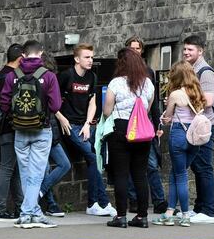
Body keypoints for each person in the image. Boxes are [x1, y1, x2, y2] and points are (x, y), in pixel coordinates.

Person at [0, 41, 62, 229]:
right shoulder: (48, 76)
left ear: (24, 55)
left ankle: (34, 213)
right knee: (36, 174)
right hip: (41, 129)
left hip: (19, 130)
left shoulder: (13, 76)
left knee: (26, 173)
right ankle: (27, 214)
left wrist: (16, 115)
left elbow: (4, 102)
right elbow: (56, 105)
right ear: (40, 54)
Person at [56, 43, 115, 217]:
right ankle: (101, 202)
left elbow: (92, 101)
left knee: (93, 159)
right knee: (91, 156)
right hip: (69, 125)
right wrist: (61, 118)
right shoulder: (66, 76)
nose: (90, 60)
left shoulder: (92, 77)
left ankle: (94, 203)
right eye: (86, 57)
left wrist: (88, 123)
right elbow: (51, 100)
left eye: (91, 57)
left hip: (84, 126)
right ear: (77, 59)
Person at [102, 47, 155, 228]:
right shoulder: (148, 83)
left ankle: (121, 216)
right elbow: (147, 110)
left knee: (121, 174)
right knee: (140, 174)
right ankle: (142, 216)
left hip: (121, 129)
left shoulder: (116, 83)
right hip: (141, 130)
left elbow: (107, 111)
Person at [152, 61, 205, 227]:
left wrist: (167, 110)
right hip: (195, 138)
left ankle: (184, 214)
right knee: (176, 173)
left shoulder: (175, 94)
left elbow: (167, 119)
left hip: (179, 136)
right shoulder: (197, 91)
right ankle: (168, 212)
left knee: (180, 176)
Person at [124, 36, 167, 216]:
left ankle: (159, 201)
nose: (135, 51)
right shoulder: (120, 71)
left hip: (144, 123)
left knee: (150, 164)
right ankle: (133, 200)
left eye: (138, 48)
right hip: (126, 122)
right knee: (127, 164)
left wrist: (158, 124)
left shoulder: (148, 72)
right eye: (132, 48)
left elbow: (153, 101)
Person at [182, 34, 214, 224]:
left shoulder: (205, 73)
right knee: (197, 167)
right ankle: (199, 208)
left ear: (200, 51)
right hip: (195, 126)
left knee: (204, 168)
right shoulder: (191, 70)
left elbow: (209, 101)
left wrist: (183, 100)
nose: (186, 52)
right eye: (185, 49)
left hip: (204, 127)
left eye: (190, 50)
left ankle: (208, 211)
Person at [0, 43, 25, 221]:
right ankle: (0, 209)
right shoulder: (13, 77)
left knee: (13, 169)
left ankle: (20, 206)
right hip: (8, 129)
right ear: (20, 59)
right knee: (7, 168)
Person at [38, 52, 71, 217]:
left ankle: (41, 192)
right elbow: (55, 104)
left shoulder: (46, 79)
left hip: (52, 131)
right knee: (45, 169)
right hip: (44, 129)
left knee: (64, 164)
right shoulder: (45, 80)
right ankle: (50, 203)